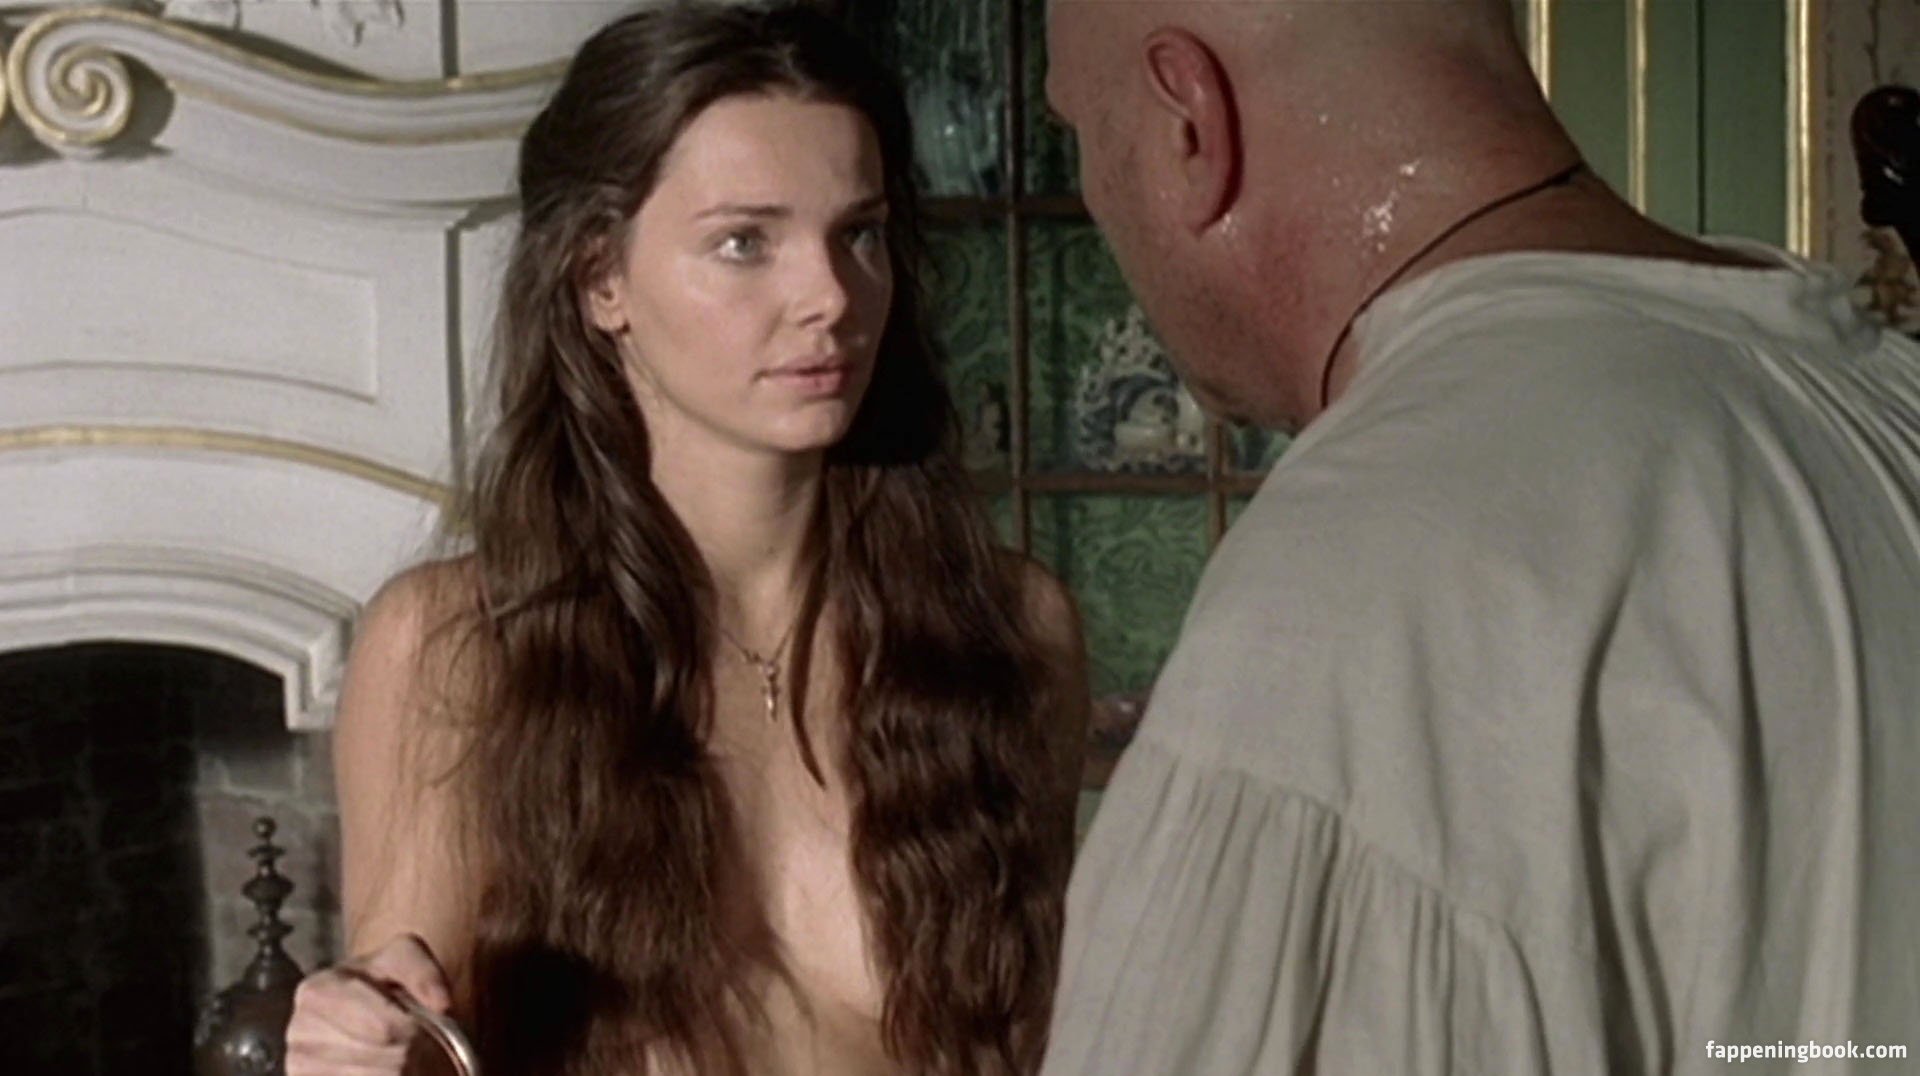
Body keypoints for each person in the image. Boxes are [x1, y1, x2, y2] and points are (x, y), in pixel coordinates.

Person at [1041, 1, 1920, 1073]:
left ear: (1190, 123)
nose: (1095, 196)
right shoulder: (1885, 391)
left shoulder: (1350, 603)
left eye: (1082, 133)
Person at [284, 5, 1089, 1075]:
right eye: (744, 242)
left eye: (858, 233)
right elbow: (410, 1031)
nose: (830, 295)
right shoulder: (457, 648)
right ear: (600, 279)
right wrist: (353, 1042)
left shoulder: (1011, 631)